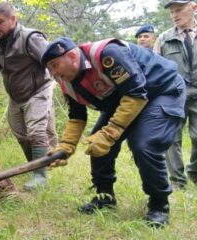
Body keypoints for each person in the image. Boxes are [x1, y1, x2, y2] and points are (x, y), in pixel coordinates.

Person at [42, 37, 186, 227]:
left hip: (161, 90)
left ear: (72, 56)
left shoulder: (107, 54)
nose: (54, 73)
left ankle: (159, 204)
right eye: (49, 68)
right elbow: (77, 117)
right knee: (97, 144)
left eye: (55, 65)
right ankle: (105, 197)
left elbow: (136, 92)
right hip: (126, 99)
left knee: (144, 145)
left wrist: (110, 133)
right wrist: (66, 146)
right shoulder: (67, 83)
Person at [0, 2, 57, 191]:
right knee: (21, 134)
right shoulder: (0, 43)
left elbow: (51, 59)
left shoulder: (30, 37)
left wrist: (58, 82)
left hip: (37, 91)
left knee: (36, 132)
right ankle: (36, 167)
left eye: (0, 22)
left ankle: (40, 177)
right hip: (16, 96)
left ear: (13, 19)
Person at [153, 0, 197, 189]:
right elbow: (155, 68)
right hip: (173, 96)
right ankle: (177, 181)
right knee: (172, 139)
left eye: (179, 10)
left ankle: (194, 173)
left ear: (194, 8)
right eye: (172, 12)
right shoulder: (163, 38)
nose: (175, 15)